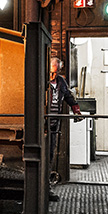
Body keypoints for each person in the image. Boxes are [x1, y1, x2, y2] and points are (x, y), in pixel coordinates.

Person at [47, 57, 82, 191]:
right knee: (42, 154)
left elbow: (68, 96)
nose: (53, 75)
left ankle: (47, 184)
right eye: (51, 72)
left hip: (54, 125)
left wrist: (76, 111)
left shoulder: (61, 81)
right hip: (43, 125)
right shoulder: (43, 81)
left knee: (50, 153)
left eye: (55, 73)